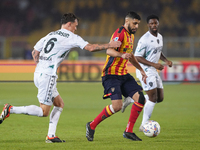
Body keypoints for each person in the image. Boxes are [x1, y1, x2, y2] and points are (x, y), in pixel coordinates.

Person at [0, 13, 121, 143]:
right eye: (75, 26)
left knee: (59, 104)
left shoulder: (51, 34)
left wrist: (41, 65)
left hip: (39, 73)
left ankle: (51, 136)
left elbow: (35, 52)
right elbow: (90, 48)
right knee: (44, 111)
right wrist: (109, 45)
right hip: (47, 75)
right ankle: (11, 109)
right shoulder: (71, 37)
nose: (76, 28)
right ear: (69, 24)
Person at [86, 11, 147, 142]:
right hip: (111, 75)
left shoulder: (131, 36)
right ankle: (91, 125)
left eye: (138, 24)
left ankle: (128, 131)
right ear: (127, 21)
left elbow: (131, 56)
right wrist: (120, 55)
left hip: (123, 74)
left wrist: (141, 69)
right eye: (134, 23)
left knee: (141, 99)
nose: (136, 26)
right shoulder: (120, 33)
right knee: (117, 106)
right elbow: (108, 50)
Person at [121, 14, 173, 131]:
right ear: (148, 25)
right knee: (152, 97)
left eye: (155, 23)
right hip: (144, 70)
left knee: (160, 98)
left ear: (158, 23)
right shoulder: (144, 39)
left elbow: (158, 51)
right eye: (151, 23)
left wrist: (166, 60)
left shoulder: (160, 36)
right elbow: (137, 57)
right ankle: (144, 125)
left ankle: (131, 99)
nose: (154, 25)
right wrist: (154, 64)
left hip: (153, 69)